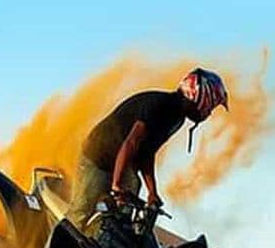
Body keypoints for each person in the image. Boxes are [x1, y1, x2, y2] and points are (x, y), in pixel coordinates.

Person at [64, 67, 229, 230]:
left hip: (119, 164)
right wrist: (117, 185)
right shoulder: (161, 106)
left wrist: (152, 192)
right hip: (98, 158)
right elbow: (132, 143)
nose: (209, 113)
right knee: (79, 216)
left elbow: (146, 153)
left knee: (122, 221)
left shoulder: (177, 118)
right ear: (201, 97)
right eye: (211, 106)